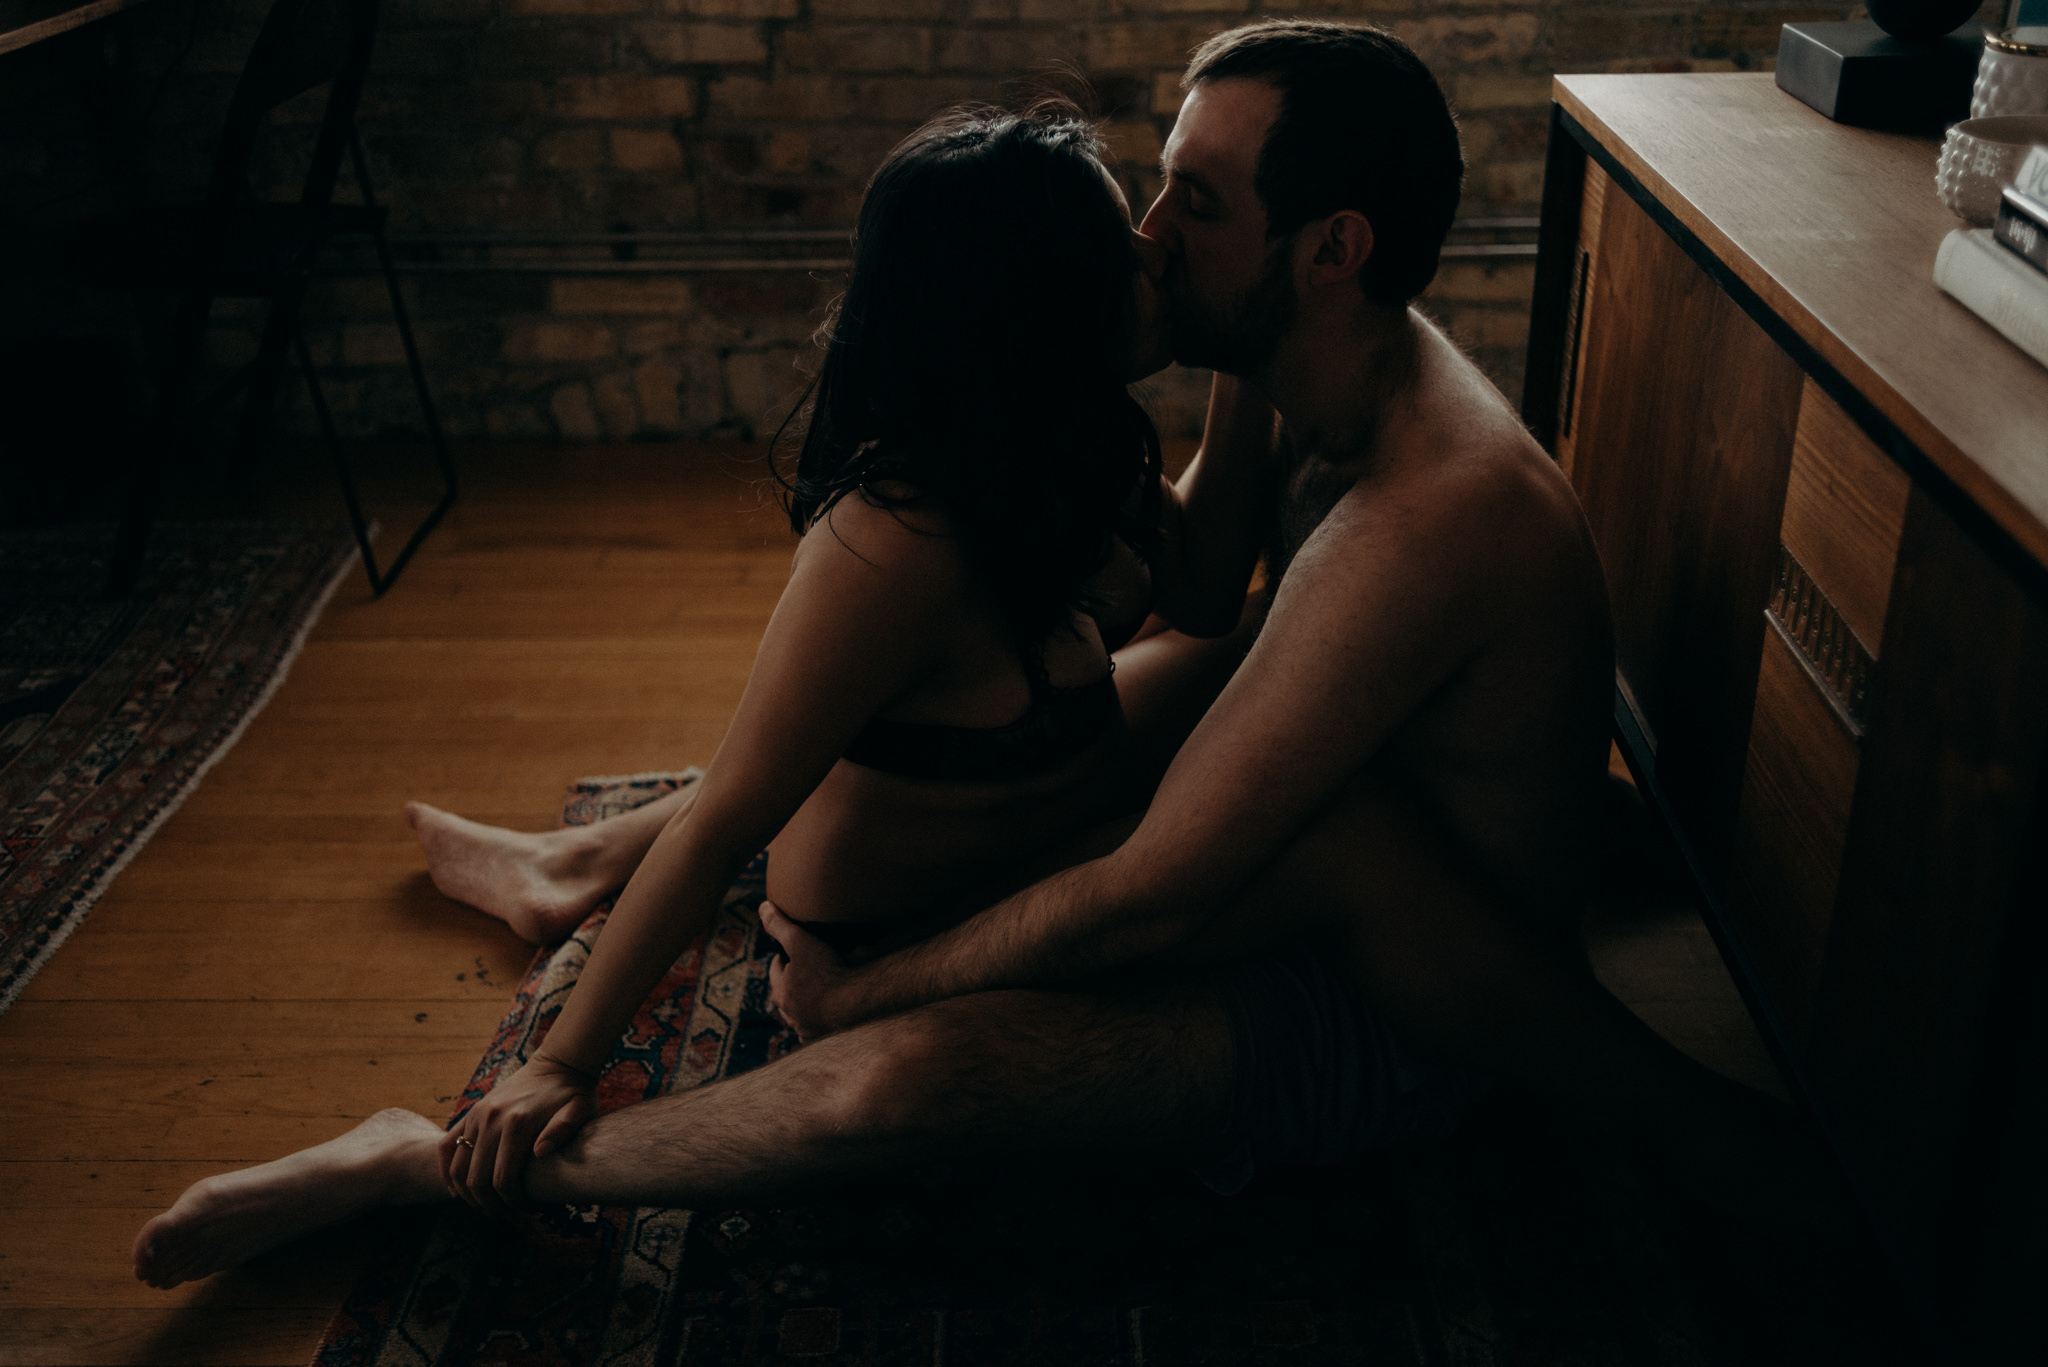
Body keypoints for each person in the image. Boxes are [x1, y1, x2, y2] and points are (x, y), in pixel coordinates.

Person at [134, 19, 1841, 1292]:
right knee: (1088, 703)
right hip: (1278, 855)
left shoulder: (1427, 512)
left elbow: (1156, 882)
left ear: (1330, 250)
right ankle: (591, 863)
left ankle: (431, 1168)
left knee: (935, 1070)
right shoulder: (1306, 362)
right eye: (1149, 190)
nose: (1154, 236)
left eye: (1190, 201)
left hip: (1388, 987)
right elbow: (1198, 606)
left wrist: (876, 986)